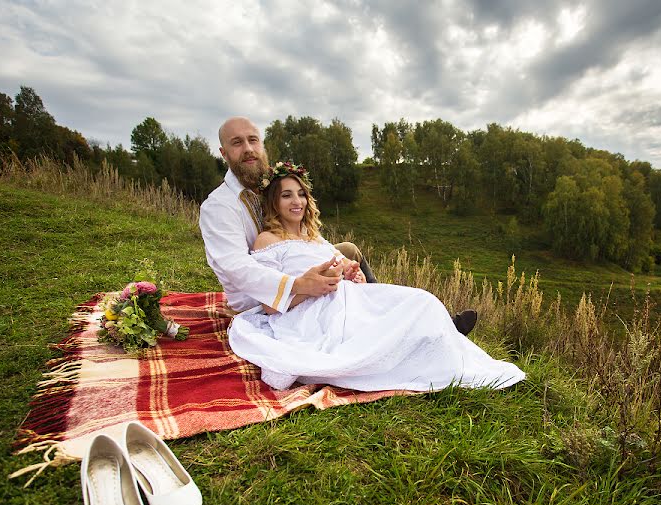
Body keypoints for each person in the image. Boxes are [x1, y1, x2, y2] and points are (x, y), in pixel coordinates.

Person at [226, 162, 525, 392]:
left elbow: (345, 266)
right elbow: (268, 305)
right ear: (273, 202)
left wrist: (352, 273)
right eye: (286, 195)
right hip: (311, 315)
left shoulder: (314, 238)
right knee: (407, 315)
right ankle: (441, 335)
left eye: (301, 194)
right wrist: (313, 286)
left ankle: (444, 330)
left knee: (424, 300)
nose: (297, 202)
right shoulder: (266, 241)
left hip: (347, 297)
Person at [199, 116, 478, 334]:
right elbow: (235, 268)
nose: (248, 149)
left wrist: (343, 265)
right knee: (340, 265)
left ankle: (375, 295)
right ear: (224, 153)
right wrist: (299, 284)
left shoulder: (266, 185)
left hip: (291, 262)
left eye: (253, 140)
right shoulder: (219, 206)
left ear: (262, 146)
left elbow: (302, 239)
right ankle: (380, 309)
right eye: (237, 143)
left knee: (348, 252)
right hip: (260, 296)